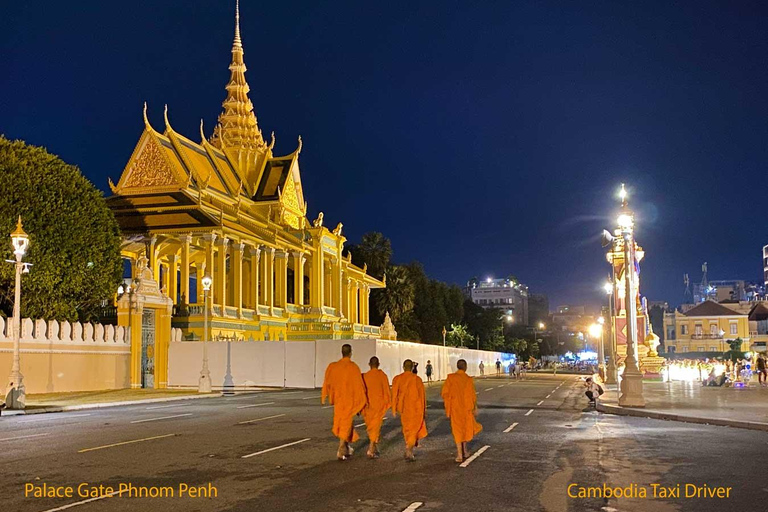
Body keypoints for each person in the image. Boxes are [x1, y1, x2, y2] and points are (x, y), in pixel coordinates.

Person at [321, 344, 367, 461]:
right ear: (350, 353)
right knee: (346, 423)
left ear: (342, 352)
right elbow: (359, 387)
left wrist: (328, 395)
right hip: (349, 400)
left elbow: (328, 382)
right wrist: (360, 403)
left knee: (343, 423)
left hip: (339, 399)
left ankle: (346, 447)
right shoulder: (353, 367)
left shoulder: (334, 367)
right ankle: (341, 448)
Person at [441, 359, 483, 463]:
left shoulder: (451, 378)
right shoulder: (468, 379)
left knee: (458, 430)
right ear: (465, 367)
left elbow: (445, 393)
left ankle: (460, 454)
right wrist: (475, 407)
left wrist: (449, 404)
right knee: (465, 428)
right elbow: (472, 395)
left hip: (455, 409)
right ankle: (465, 450)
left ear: (457, 366)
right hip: (466, 408)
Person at [391, 359, 428, 461]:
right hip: (416, 409)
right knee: (413, 430)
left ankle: (409, 447)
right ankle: (409, 449)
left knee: (407, 429)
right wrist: (424, 411)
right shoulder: (417, 379)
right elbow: (422, 397)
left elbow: (394, 395)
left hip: (404, 409)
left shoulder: (397, 379)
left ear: (403, 367)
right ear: (412, 368)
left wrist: (394, 409)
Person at [362, 356, 391, 459]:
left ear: (369, 364)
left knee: (371, 427)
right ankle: (371, 448)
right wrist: (388, 403)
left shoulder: (364, 376)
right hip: (378, 405)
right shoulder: (382, 376)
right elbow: (387, 391)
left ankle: (373, 447)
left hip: (367, 406)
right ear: (378, 364)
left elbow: (361, 391)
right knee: (375, 427)